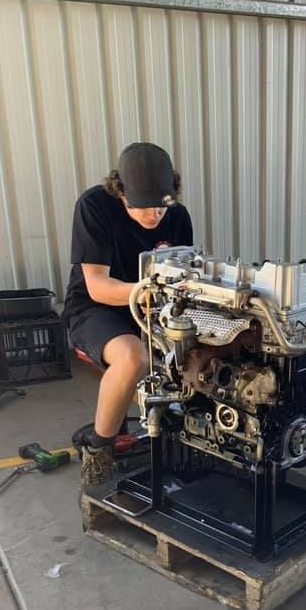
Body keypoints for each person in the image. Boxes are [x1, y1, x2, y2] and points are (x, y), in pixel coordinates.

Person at [63, 142, 193, 490]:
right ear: (121, 192)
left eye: (162, 208)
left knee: (202, 351)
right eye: (145, 209)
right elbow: (98, 286)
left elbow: (184, 270)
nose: (155, 217)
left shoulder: (176, 215)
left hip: (153, 307)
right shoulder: (94, 207)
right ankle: (98, 451)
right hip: (95, 309)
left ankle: (197, 438)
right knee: (132, 358)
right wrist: (147, 289)